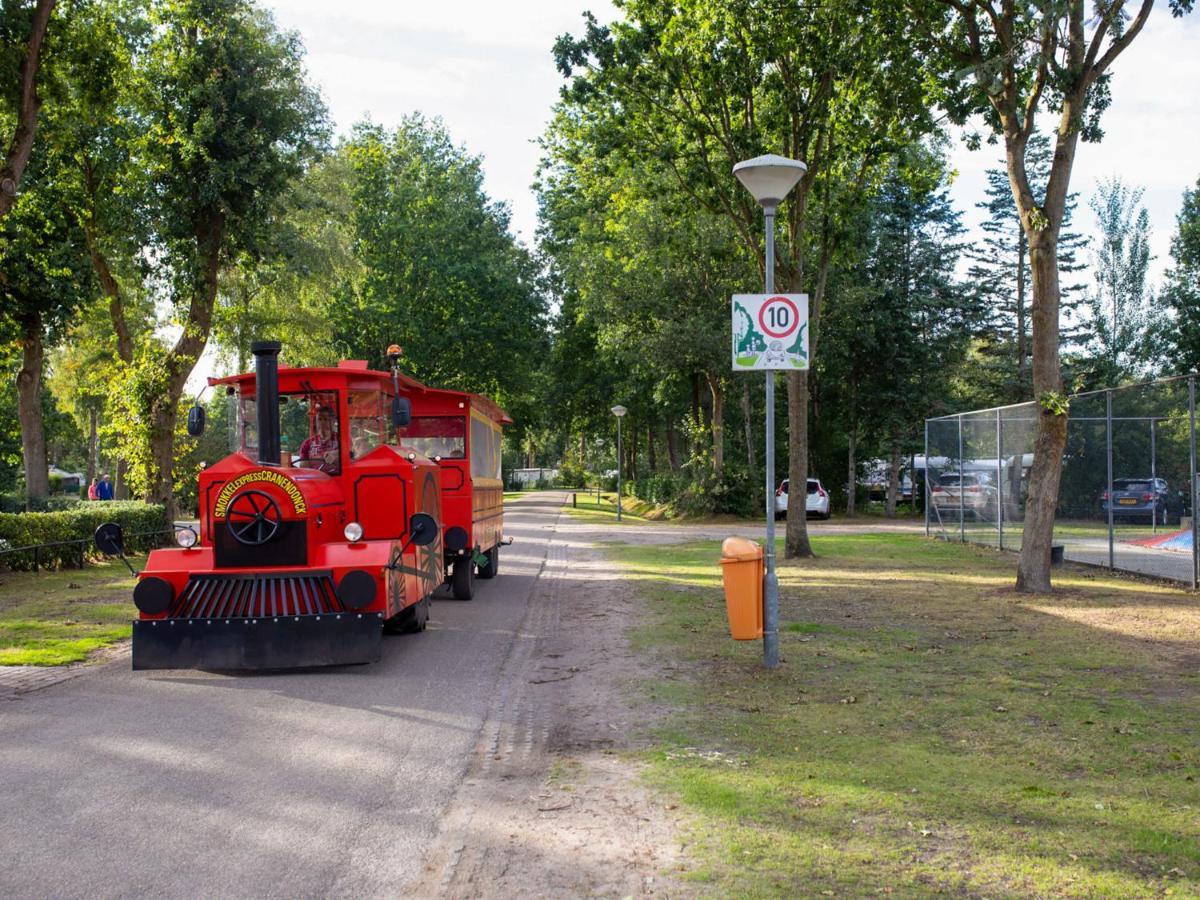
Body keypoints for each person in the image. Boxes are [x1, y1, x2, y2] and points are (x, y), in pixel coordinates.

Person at [298, 406, 340, 474]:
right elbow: (304, 469)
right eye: (320, 419)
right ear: (316, 422)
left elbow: (351, 460)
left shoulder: (342, 440)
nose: (322, 422)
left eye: (326, 419)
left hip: (337, 479)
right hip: (316, 481)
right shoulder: (307, 443)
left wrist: (336, 457)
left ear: (333, 421)